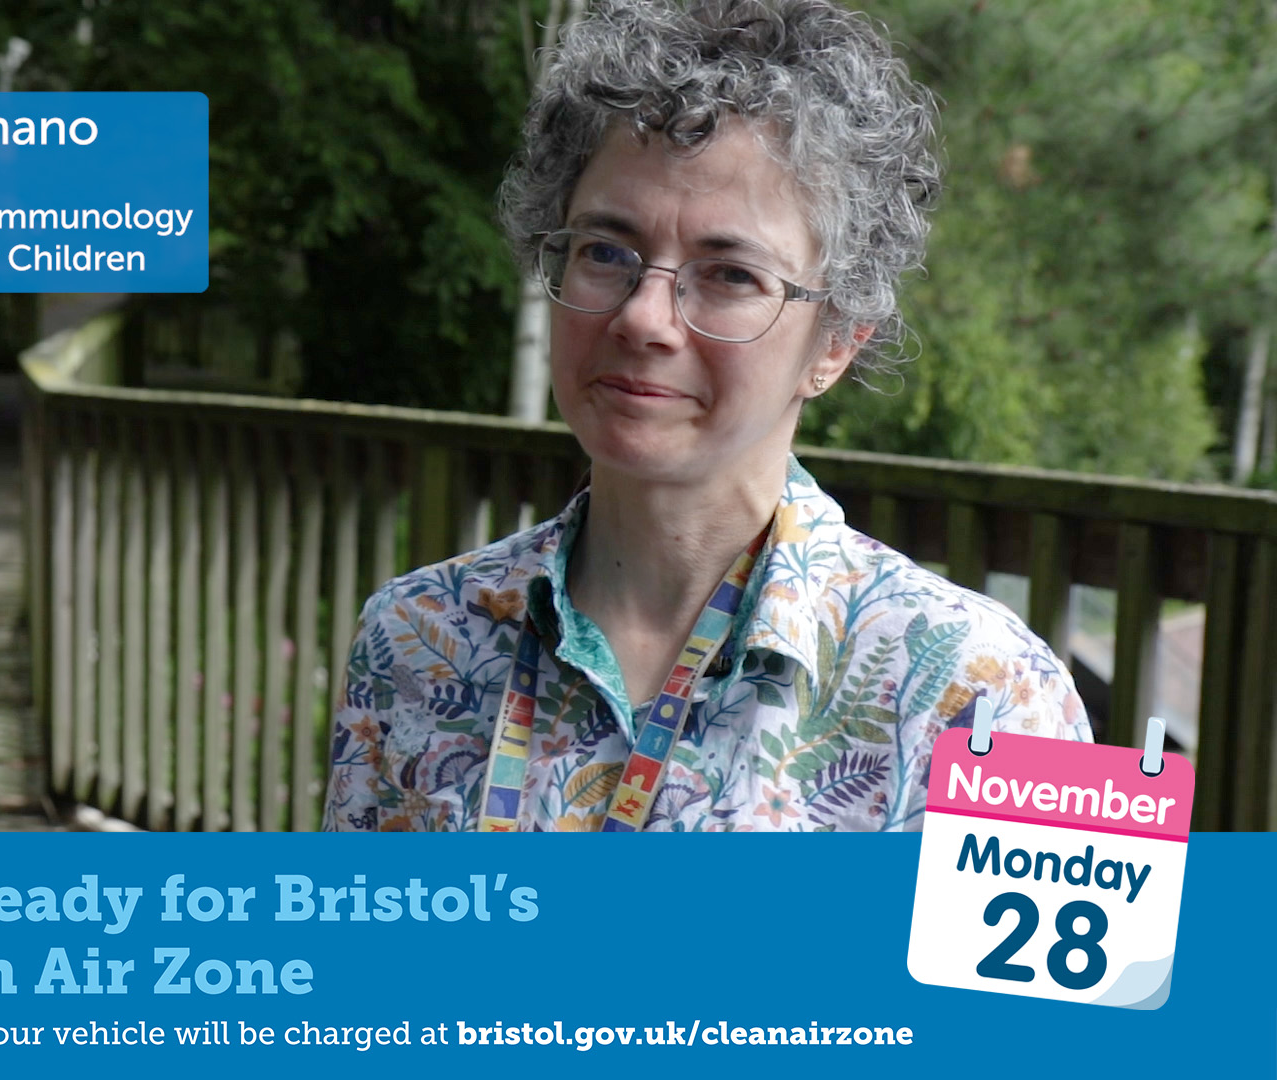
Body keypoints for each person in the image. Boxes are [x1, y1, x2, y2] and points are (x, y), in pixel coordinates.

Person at [323, 0, 1091, 833]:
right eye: (606, 251)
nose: (643, 319)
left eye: (730, 274)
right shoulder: (416, 638)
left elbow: (1128, 973)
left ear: (835, 341)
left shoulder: (989, 697)